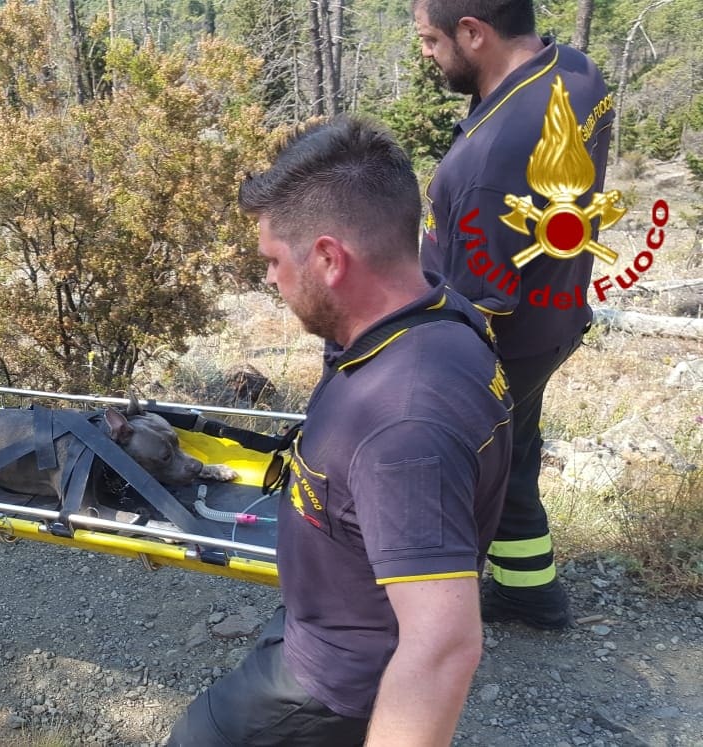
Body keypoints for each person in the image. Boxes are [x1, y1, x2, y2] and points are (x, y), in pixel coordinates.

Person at [168, 117, 512, 746]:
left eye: (274, 260)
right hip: (333, 620)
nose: (270, 280)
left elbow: (443, 646)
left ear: (328, 258)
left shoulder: (404, 424)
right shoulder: (432, 313)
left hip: (332, 680)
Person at [415, 0, 613, 629]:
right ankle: (532, 594)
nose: (426, 52)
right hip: (555, 315)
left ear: (473, 33)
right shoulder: (576, 72)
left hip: (506, 339)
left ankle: (426, 617)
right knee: (514, 456)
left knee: (449, 469)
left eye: (429, 39)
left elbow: (476, 309)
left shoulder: (488, 162)